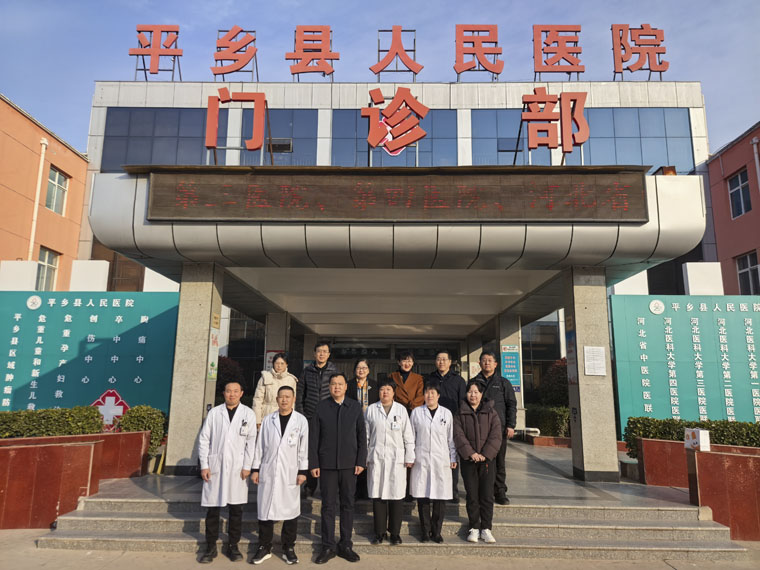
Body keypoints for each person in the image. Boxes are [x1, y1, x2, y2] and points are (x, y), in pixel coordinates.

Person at [309, 373, 367, 564]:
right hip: (327, 465)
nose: (337, 387)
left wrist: (361, 461)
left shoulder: (355, 407)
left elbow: (361, 436)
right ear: (329, 387)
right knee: (328, 506)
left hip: (350, 465)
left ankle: (346, 544)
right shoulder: (321, 407)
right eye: (333, 384)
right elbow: (314, 438)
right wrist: (314, 463)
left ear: (346, 387)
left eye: (340, 384)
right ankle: (327, 545)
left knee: (348, 504)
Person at [197, 380, 257, 563]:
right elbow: (204, 439)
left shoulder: (248, 413)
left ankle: (233, 546)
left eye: (235, 391)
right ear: (223, 393)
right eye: (228, 391)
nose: (232, 394)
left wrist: (247, 466)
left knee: (236, 510)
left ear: (241, 393)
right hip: (215, 467)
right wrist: (204, 465)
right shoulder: (215, 413)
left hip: (238, 468)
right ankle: (210, 547)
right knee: (213, 510)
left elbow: (251, 442)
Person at [250, 385, 309, 565]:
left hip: (290, 472)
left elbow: (303, 448)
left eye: (287, 397)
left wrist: (303, 471)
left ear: (293, 399)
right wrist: (255, 469)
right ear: (276, 399)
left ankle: (288, 548)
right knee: (265, 510)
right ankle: (264, 547)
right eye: (281, 397)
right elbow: (260, 446)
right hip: (268, 470)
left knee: (291, 511)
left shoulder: (301, 421)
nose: (284, 400)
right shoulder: (269, 420)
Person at [364, 378, 415, 545]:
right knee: (378, 496)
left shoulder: (401, 410)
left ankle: (395, 533)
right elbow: (365, 436)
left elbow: (408, 436)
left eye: (388, 389)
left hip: (396, 460)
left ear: (394, 392)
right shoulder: (371, 410)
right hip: (377, 458)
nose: (385, 392)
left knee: (396, 497)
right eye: (382, 389)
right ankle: (379, 533)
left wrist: (409, 457)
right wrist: (365, 457)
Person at [453, 379, 502, 544]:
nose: (472, 395)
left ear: (481, 394)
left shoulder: (491, 412)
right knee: (472, 495)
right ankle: (474, 527)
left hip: (487, 461)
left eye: (476, 392)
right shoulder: (460, 413)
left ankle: (486, 528)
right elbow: (458, 435)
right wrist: (471, 453)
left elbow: (496, 435)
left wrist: (485, 454)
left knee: (487, 495)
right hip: (469, 460)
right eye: (470, 392)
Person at [409, 380, 457, 544]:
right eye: (427, 393)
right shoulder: (416, 413)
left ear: (438, 395)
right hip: (421, 459)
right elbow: (411, 437)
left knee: (440, 497)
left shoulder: (446, 414)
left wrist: (453, 457)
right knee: (422, 496)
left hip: (441, 460)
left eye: (433, 393)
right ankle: (425, 531)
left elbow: (451, 438)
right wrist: (410, 456)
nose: (429, 396)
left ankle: (436, 532)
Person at [471, 350, 518, 505]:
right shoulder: (473, 383)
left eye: (490, 360)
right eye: (484, 360)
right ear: (479, 363)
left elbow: (511, 405)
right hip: (479, 429)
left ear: (495, 364)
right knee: (480, 461)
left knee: (499, 461)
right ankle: (483, 491)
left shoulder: (503, 383)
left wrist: (511, 425)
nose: (487, 363)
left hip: (499, 429)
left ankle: (500, 491)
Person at [296, 341, 339, 496]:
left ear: (329, 354)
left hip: (329, 417)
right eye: (319, 351)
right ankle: (310, 485)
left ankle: (327, 487)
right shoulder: (307, 371)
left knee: (327, 451)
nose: (322, 354)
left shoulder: (334, 372)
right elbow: (300, 394)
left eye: (325, 351)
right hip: (310, 416)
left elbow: (339, 394)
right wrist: (302, 415)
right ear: (314, 353)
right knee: (311, 451)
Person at [425, 350, 466, 502]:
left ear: (450, 362)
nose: (441, 362)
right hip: (431, 422)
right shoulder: (430, 379)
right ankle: (431, 489)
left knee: (451, 456)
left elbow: (463, 403)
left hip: (452, 423)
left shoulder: (458, 380)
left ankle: (452, 490)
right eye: (438, 359)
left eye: (444, 359)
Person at [346, 358, 379, 499]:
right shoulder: (348, 385)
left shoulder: (375, 385)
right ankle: (355, 490)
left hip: (370, 423)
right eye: (359, 368)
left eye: (364, 368)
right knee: (355, 454)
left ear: (369, 370)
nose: (361, 370)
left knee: (367, 454)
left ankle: (365, 490)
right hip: (353, 423)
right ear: (355, 370)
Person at [252, 353, 298, 429]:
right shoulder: (265, 377)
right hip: (267, 414)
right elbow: (257, 400)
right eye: (277, 363)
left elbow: (292, 402)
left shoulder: (291, 380)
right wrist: (257, 420)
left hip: (285, 415)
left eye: (282, 363)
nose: (279, 366)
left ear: (286, 365)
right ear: (273, 364)